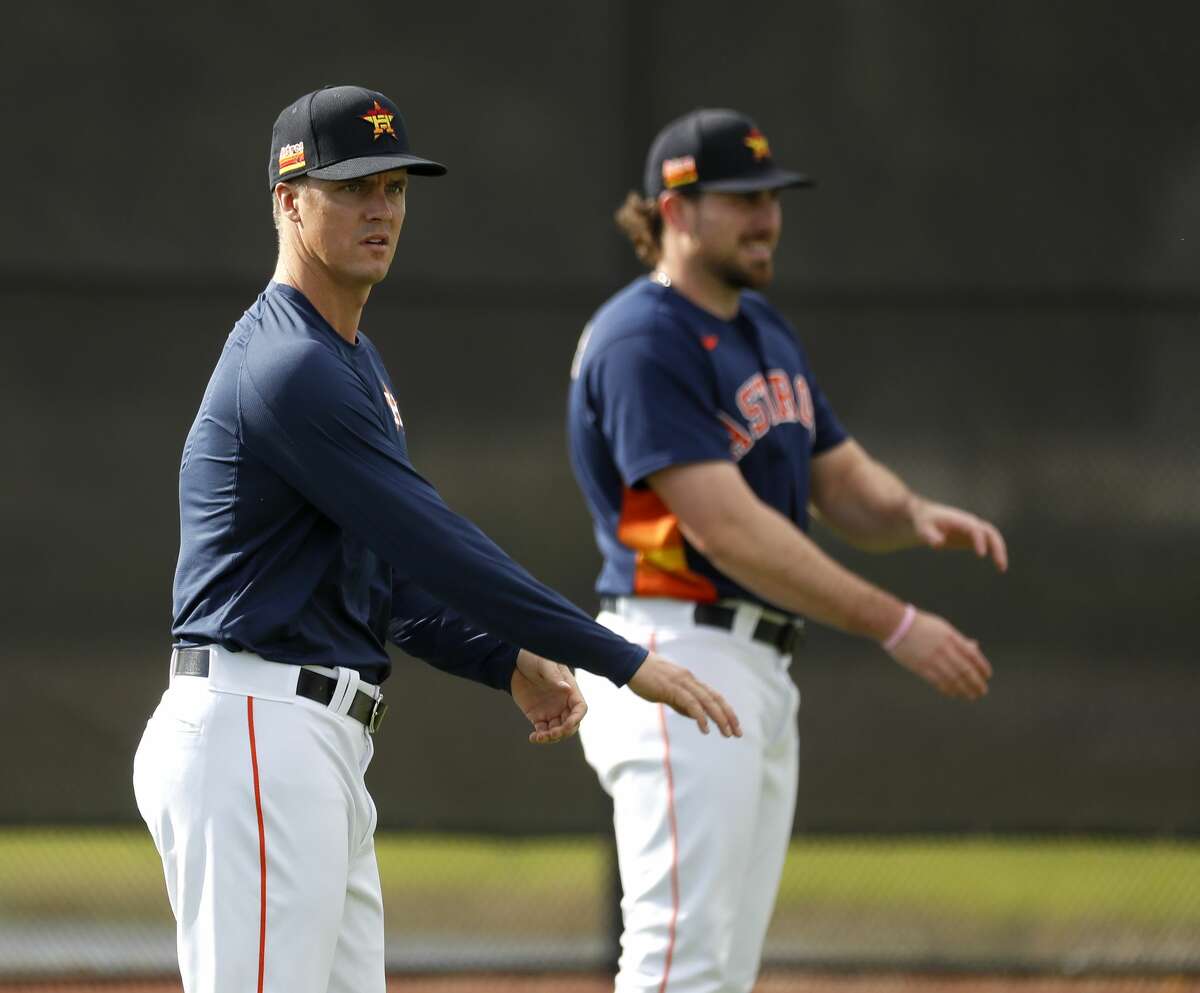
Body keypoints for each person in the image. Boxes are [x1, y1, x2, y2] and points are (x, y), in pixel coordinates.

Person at [131, 85, 741, 993]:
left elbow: (387, 583)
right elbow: (434, 543)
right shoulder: (290, 366)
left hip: (308, 741)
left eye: (395, 187)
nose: (381, 209)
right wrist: (619, 657)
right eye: (352, 188)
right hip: (254, 733)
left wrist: (505, 659)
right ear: (287, 201)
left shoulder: (349, 360)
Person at [566, 107, 1008, 993]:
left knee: (720, 970)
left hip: (752, 666)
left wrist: (911, 510)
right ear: (676, 209)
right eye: (742, 198)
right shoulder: (642, 338)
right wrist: (896, 623)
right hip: (676, 654)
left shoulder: (760, 327)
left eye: (772, 196)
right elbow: (725, 528)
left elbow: (837, 479)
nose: (768, 216)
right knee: (677, 960)